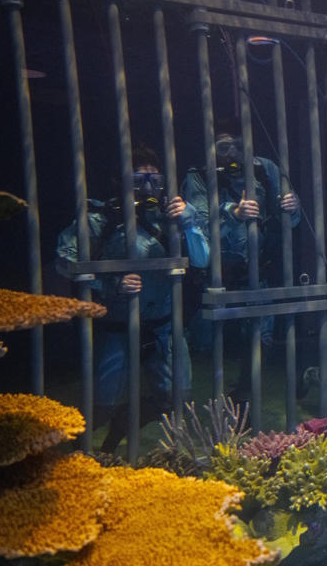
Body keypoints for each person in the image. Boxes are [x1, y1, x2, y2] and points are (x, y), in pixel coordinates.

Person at [57, 145, 209, 453]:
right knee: (100, 406)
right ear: (119, 180)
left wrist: (190, 223)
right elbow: (64, 259)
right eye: (139, 179)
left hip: (164, 327)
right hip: (116, 326)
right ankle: (69, 457)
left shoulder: (172, 218)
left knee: (178, 399)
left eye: (155, 179)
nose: (149, 187)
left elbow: (203, 260)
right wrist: (110, 282)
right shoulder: (101, 217)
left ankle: (127, 421)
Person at [182, 118, 300, 407]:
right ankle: (199, 403)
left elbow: (292, 218)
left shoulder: (264, 168)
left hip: (255, 272)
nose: (233, 153)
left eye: (239, 146)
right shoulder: (198, 176)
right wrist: (232, 212)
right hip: (214, 275)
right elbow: (194, 222)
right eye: (224, 147)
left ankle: (242, 397)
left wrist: (292, 207)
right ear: (212, 149)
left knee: (263, 338)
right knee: (205, 343)